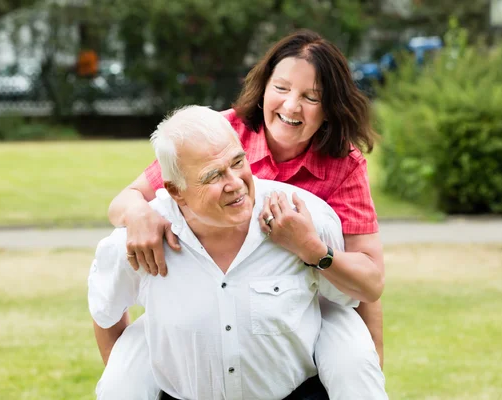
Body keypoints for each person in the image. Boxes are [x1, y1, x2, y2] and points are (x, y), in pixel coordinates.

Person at [105, 29, 386, 396]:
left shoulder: (344, 165)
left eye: (311, 97)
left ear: (331, 106)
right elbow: (124, 201)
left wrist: (310, 248)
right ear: (264, 86)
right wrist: (139, 213)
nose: (291, 107)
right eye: (281, 88)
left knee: (355, 366)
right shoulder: (219, 134)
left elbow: (369, 281)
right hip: (206, 298)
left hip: (308, 303)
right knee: (124, 378)